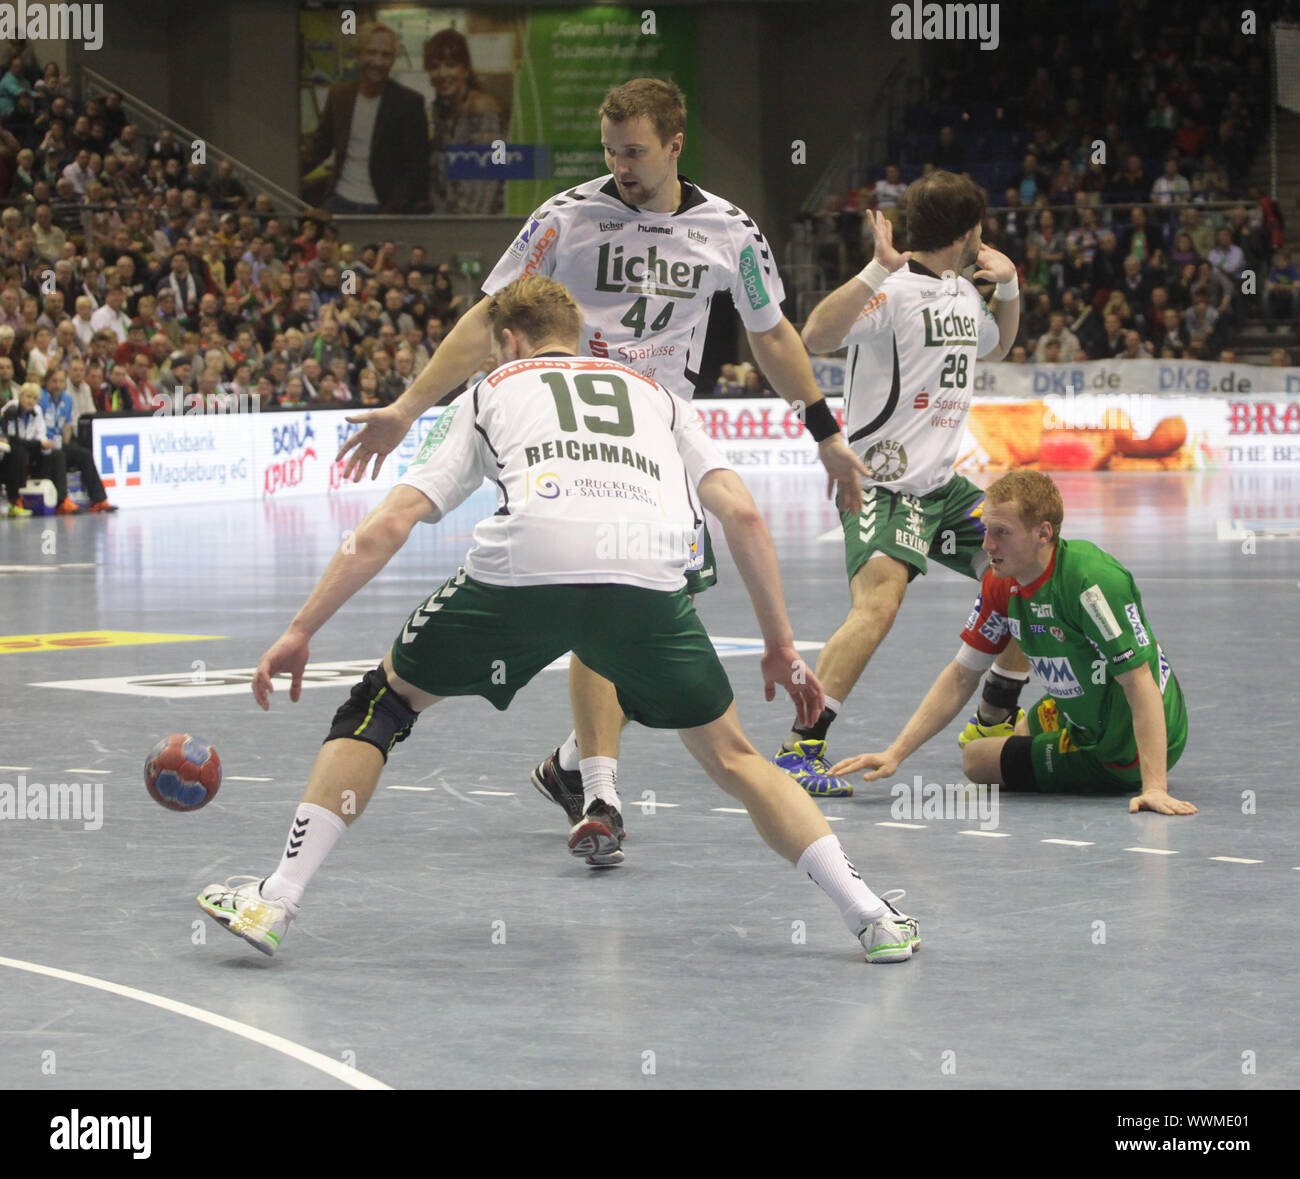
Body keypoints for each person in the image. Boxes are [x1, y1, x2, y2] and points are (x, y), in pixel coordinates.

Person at [198, 275, 920, 964]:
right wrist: (778, 643)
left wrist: (302, 629)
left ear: (507, 340)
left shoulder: (488, 390)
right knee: (736, 758)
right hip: (644, 576)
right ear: (579, 339)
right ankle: (871, 916)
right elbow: (742, 514)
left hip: (526, 567)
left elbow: (392, 523)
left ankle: (276, 899)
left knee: (383, 704)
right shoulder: (655, 394)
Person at [335, 77, 868, 844]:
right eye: (611, 150)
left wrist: (826, 431)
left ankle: (572, 763)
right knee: (606, 595)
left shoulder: (730, 231)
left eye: (636, 152)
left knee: (638, 615)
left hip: (662, 440)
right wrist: (406, 406)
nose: (620, 164)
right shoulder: (565, 219)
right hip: (575, 436)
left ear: (675, 145)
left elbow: (772, 333)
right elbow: (490, 316)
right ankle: (599, 792)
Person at [777, 171, 1030, 797]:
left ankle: (995, 713)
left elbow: (998, 347)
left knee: (1031, 571)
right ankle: (799, 748)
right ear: (970, 231)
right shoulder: (894, 293)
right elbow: (814, 336)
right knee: (878, 606)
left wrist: (1012, 286)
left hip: (943, 492)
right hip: (882, 486)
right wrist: (874, 271)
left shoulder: (964, 295)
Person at [831, 471, 1195, 816]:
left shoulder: (1091, 584)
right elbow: (961, 676)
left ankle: (1108, 765)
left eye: (1001, 532)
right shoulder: (1000, 582)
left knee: (976, 760)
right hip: (1083, 706)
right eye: (986, 530)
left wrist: (1154, 787)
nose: (987, 545)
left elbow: (1138, 680)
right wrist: (895, 752)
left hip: (1123, 747)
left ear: (1043, 533)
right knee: (1017, 735)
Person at [301, 22, 429, 214]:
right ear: (359, 54)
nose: (378, 61)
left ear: (393, 60)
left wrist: (392, 210)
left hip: (383, 207)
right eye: (371, 52)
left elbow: (416, 168)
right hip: (339, 201)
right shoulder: (339, 95)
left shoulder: (409, 103)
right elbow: (320, 147)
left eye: (385, 55)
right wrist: (284, 172)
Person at [425, 28, 504, 215]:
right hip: (446, 220)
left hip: (474, 225)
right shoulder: (442, 111)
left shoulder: (481, 108)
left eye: (451, 65)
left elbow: (481, 187)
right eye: (435, 67)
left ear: (465, 69)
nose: (443, 73)